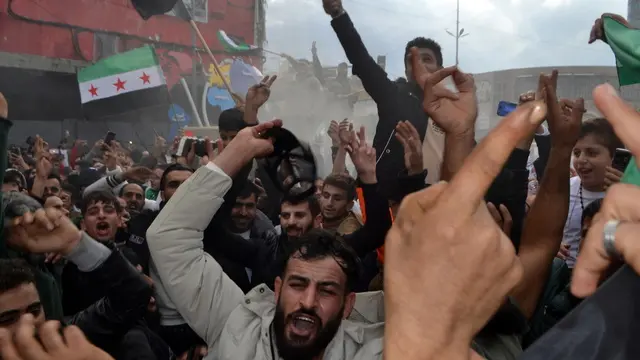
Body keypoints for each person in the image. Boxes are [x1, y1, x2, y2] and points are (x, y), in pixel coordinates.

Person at [147, 120, 386, 359]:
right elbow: (169, 236)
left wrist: (370, 177)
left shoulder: (374, 349)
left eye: (327, 290)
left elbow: (378, 232)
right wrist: (238, 154)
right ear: (278, 289)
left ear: (347, 305)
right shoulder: (237, 325)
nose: (308, 302)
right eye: (297, 284)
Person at [323, 0, 443, 195]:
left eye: (426, 59)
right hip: (378, 196)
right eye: (411, 61)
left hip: (430, 206)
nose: (419, 65)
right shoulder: (394, 95)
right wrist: (339, 16)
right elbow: (363, 61)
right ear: (406, 69)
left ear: (440, 70)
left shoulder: (454, 112)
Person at [562, 117, 622, 268]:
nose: (581, 160)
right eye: (576, 153)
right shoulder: (562, 189)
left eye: (592, 153)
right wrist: (550, 247)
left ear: (614, 157)